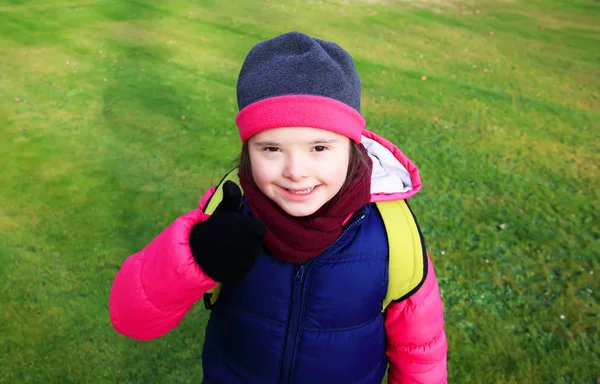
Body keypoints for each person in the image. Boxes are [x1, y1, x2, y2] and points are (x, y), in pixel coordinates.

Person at [109, 31, 447, 384]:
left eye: (319, 148)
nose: (295, 172)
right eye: (271, 149)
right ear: (248, 149)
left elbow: (421, 353)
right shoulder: (228, 213)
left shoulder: (391, 231)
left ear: (353, 146)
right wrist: (193, 257)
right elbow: (131, 318)